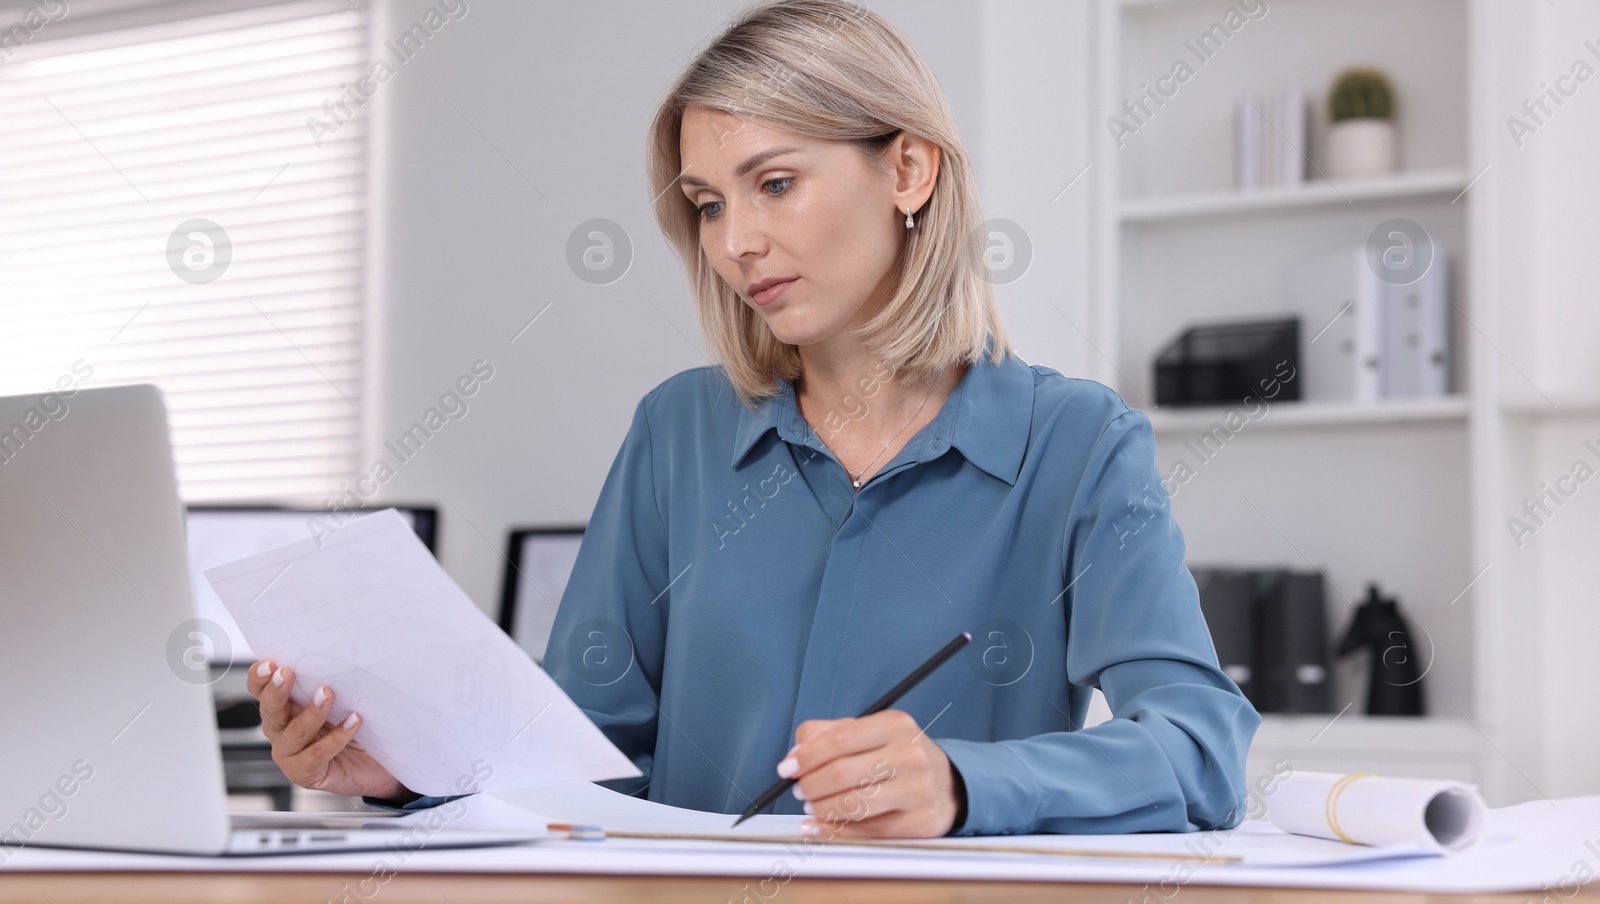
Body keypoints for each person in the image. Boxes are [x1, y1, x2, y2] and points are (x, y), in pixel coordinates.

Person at [245, 0, 1260, 840]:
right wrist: (407, 768)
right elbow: (573, 762)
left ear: (908, 170)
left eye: (774, 183)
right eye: (707, 204)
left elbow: (1199, 746)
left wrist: (962, 783)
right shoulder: (676, 434)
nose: (736, 242)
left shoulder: (1079, 447)